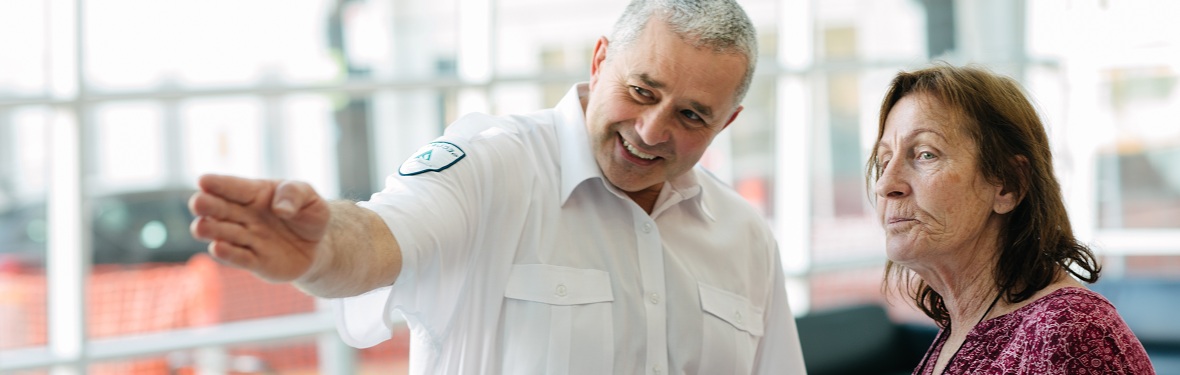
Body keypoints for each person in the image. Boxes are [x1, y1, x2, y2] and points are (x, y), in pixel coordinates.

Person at [187, 0, 807, 373]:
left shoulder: (745, 235)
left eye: (691, 116)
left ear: (727, 122)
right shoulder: (490, 165)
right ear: (599, 62)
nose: (650, 130)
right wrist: (320, 251)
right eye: (641, 91)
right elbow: (380, 236)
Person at [867, 64, 1155, 374]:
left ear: (1008, 185)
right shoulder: (958, 330)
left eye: (925, 154)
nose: (886, 185)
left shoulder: (1071, 329)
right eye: (885, 161)